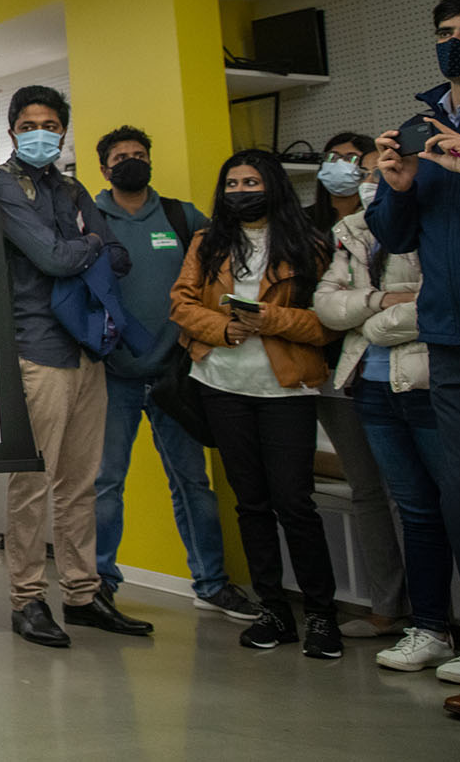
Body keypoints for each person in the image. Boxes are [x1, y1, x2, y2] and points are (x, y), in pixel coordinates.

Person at [369, 0, 460, 721]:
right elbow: (396, 238)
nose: (458, 43)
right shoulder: (423, 123)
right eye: (447, 32)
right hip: (452, 345)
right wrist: (396, 186)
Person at [0, 85, 152, 647]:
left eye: (52, 124)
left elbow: (121, 255)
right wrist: (83, 246)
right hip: (38, 349)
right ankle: (27, 598)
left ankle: (83, 595)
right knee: (34, 482)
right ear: (13, 129)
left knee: (82, 482)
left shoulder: (74, 186)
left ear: (63, 131)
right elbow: (54, 256)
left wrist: (81, 248)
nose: (42, 132)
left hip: (89, 349)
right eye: (31, 123)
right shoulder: (0, 184)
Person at [169, 148, 342, 661]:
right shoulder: (207, 241)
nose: (241, 191)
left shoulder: (308, 243)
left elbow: (327, 323)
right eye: (232, 184)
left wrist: (271, 321)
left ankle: (321, 615)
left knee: (295, 503)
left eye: (251, 182)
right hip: (221, 385)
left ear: (272, 185)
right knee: (251, 503)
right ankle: (274, 611)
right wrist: (223, 327)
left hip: (286, 388)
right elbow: (181, 303)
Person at [89, 126, 257, 620]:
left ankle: (211, 583)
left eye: (140, 155)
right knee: (105, 484)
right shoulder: (90, 217)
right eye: (121, 157)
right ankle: (100, 582)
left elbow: (221, 270)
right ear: (104, 169)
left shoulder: (183, 217)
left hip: (176, 375)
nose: (131, 162)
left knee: (192, 482)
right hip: (111, 374)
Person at [318, 186, 460, 675]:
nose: (376, 181)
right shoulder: (354, 229)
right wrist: (381, 298)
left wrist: (376, 323)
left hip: (430, 382)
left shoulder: (440, 221)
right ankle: (428, 629)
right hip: (373, 387)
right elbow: (327, 305)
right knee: (417, 512)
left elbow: (445, 302)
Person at [308, 131, 410, 641]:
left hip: (409, 370)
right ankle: (388, 607)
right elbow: (323, 305)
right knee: (368, 489)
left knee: (423, 494)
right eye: (339, 160)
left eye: (359, 162)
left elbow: (413, 298)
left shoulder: (406, 219)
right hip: (337, 373)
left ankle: (445, 614)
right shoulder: (308, 227)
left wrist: (363, 305)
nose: (349, 170)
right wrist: (373, 303)